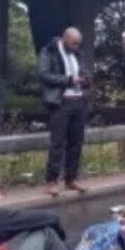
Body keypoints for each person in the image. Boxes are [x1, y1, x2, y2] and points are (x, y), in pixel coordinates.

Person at [38, 27, 90, 197]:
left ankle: (71, 179)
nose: (76, 47)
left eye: (78, 44)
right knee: (58, 143)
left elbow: (82, 72)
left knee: (76, 143)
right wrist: (68, 80)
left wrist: (85, 78)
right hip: (60, 103)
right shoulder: (49, 51)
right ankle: (51, 181)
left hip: (78, 101)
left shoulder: (77, 54)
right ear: (65, 39)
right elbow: (44, 75)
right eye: (73, 43)